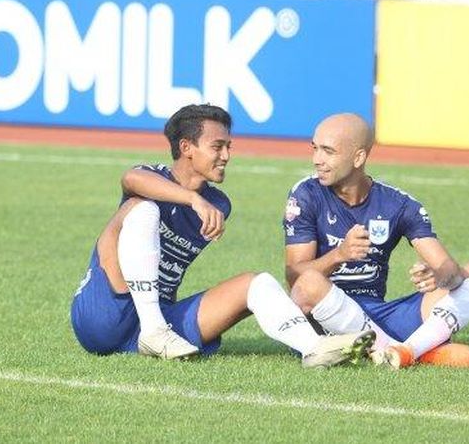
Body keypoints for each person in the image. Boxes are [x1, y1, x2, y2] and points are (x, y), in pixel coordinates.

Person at [70, 104, 374, 368]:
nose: (227, 155)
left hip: (160, 318)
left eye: (229, 146)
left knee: (256, 282)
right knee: (141, 209)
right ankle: (154, 332)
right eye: (217, 146)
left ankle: (313, 348)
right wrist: (192, 199)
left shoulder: (219, 204)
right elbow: (130, 178)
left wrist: (200, 200)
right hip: (102, 316)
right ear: (187, 147)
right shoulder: (151, 177)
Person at [282, 113, 469, 369]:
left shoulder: (398, 205)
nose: (317, 160)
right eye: (315, 149)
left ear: (358, 157)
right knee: (309, 284)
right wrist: (339, 255)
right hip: (324, 319)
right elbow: (294, 278)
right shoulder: (305, 194)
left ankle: (403, 351)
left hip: (379, 315)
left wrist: (440, 276)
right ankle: (405, 348)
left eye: (328, 151)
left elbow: (448, 269)